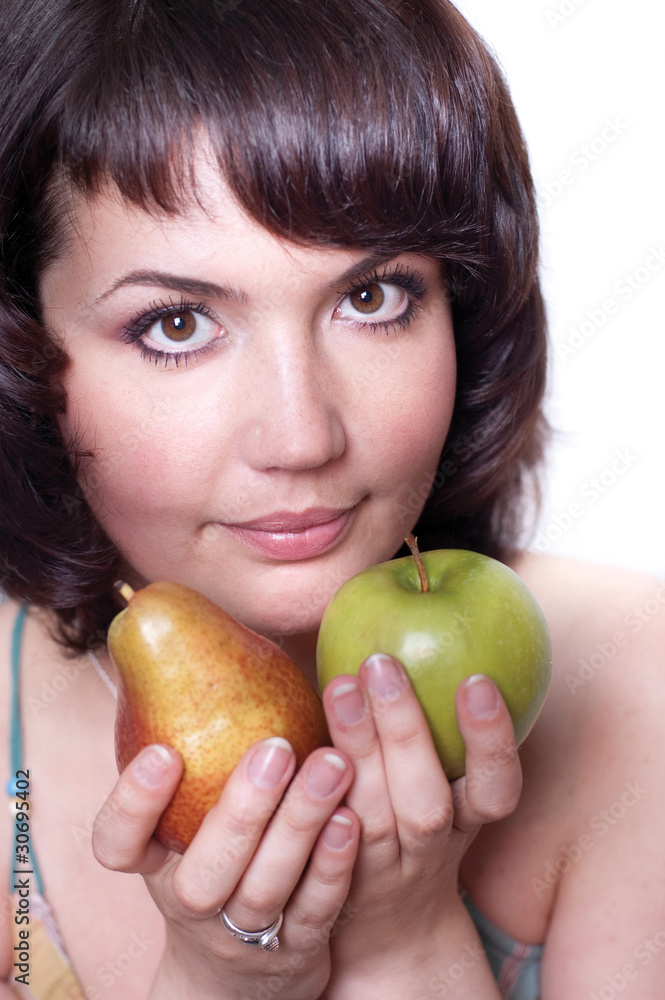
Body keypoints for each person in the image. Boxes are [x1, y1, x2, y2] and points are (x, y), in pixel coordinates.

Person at [0, 0, 663, 997]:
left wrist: (403, 943)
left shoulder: (635, 691)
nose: (302, 435)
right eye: (176, 323)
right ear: (24, 353)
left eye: (370, 298)